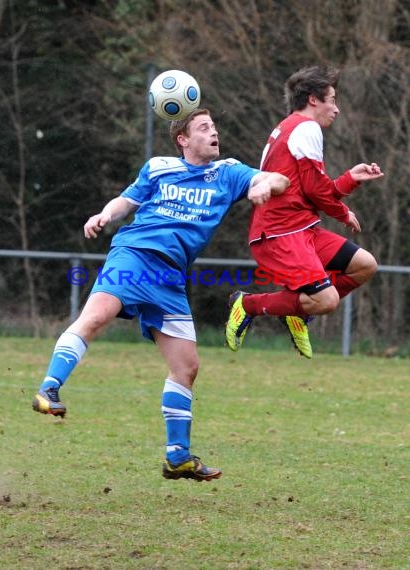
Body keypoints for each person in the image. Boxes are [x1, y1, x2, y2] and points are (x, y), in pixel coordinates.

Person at [32, 108, 289, 482]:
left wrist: (266, 184)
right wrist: (104, 214)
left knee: (187, 367)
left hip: (170, 278)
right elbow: (127, 201)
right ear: (183, 139)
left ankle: (178, 457)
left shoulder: (229, 172)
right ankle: (49, 388)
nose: (214, 132)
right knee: (97, 317)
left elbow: (276, 177)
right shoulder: (158, 167)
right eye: (204, 128)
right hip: (135, 255)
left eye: (214, 126)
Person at [225, 66, 384, 358]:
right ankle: (246, 305)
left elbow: (311, 188)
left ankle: (298, 310)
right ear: (313, 99)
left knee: (365, 265)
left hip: (301, 228)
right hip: (280, 233)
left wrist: (350, 178)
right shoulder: (306, 128)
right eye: (332, 100)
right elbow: (316, 191)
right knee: (326, 301)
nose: (336, 109)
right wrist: (343, 212)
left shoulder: (290, 127)